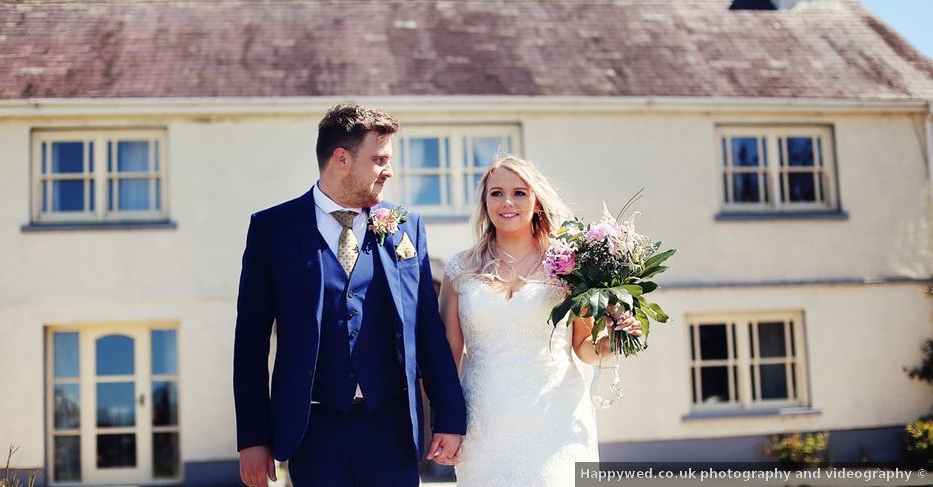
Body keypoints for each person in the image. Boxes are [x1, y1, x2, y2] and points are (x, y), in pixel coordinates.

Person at [233, 104, 466, 487]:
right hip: (312, 430)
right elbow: (250, 344)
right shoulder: (272, 230)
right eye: (379, 160)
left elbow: (426, 329)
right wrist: (254, 438)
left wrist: (449, 417)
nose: (389, 170)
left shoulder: (405, 226)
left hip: (391, 427)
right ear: (341, 158)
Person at [439, 154, 642, 486]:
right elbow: (448, 357)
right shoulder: (460, 270)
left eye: (519, 192)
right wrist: (445, 422)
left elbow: (584, 347)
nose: (508, 201)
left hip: (555, 419)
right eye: (496, 193)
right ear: (485, 201)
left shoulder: (568, 266)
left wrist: (615, 339)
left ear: (536, 201)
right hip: (485, 423)